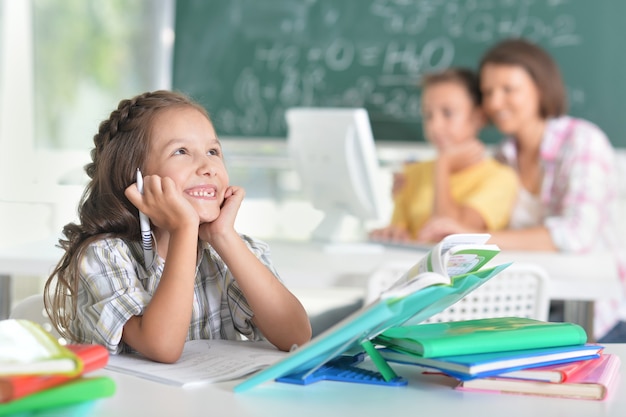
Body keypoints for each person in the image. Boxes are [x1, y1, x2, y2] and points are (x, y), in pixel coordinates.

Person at [43, 90, 312, 363]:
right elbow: (163, 347)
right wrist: (185, 228)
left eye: (213, 151)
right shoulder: (105, 256)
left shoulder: (228, 251)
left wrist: (223, 236)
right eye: (181, 151)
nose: (207, 166)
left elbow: (296, 336)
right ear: (136, 178)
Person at [418, 38, 626, 342]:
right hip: (533, 302)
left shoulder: (582, 141)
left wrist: (475, 239)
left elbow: (576, 234)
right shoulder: (503, 156)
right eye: (488, 92)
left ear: (540, 88)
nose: (495, 103)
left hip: (597, 312)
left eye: (508, 89)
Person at [369, 68, 518, 243]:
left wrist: (443, 165)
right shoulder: (412, 173)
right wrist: (392, 234)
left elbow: (450, 238)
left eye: (448, 113)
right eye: (428, 115)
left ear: (478, 118)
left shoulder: (500, 178)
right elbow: (400, 232)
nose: (435, 126)